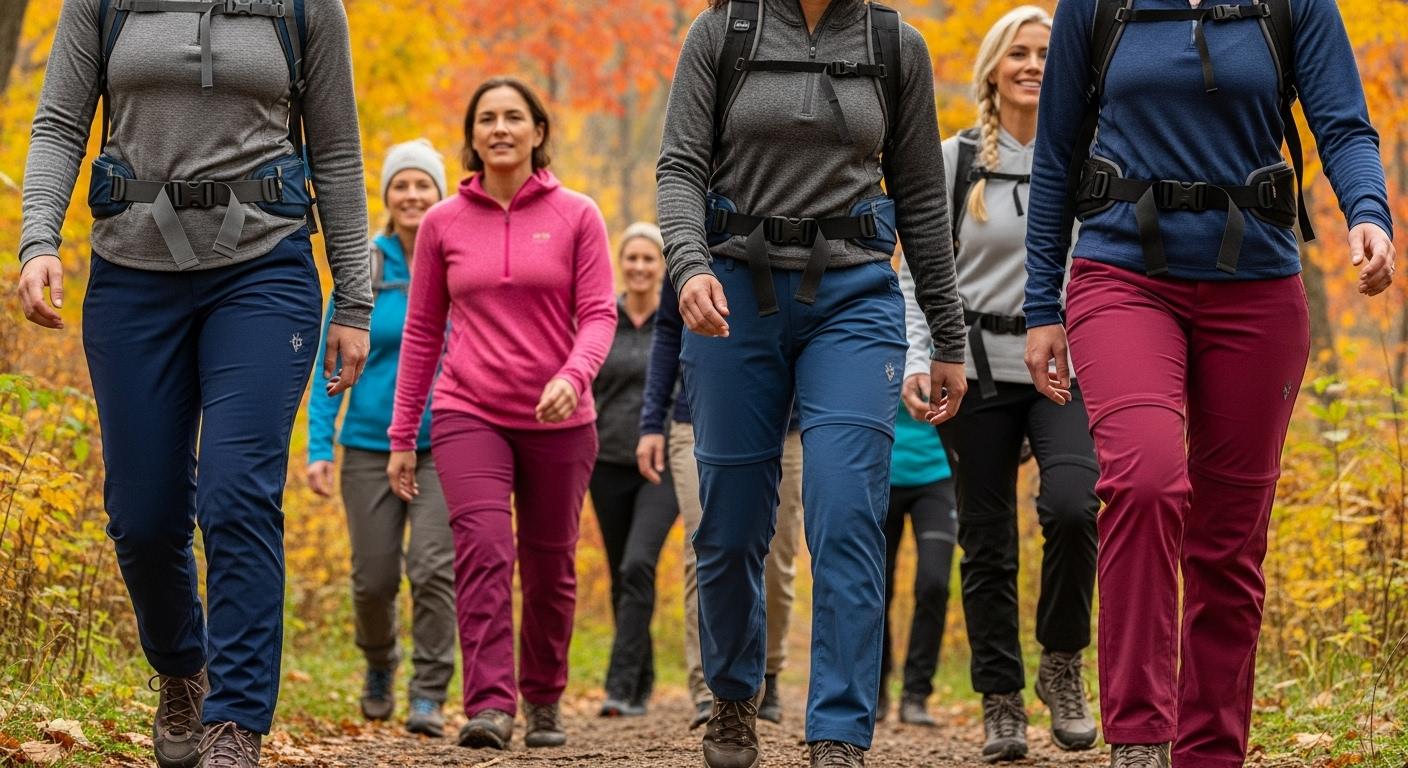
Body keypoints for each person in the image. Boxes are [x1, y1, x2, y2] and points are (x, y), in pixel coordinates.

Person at [1023, 0, 1395, 764]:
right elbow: (1056, 151)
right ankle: (1140, 737)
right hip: (1122, 274)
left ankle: (1211, 753)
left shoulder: (1295, 5)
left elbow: (1345, 124)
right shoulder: (1095, 6)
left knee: (1230, 541)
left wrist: (1368, 211)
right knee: (1146, 480)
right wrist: (1039, 305)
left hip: (1257, 284)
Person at [17, 1, 370, 765]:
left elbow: (338, 154)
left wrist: (356, 297)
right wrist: (38, 238)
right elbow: (57, 126)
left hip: (264, 270)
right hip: (131, 274)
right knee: (142, 516)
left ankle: (234, 722)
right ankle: (183, 670)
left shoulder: (307, 7)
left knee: (236, 490)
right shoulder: (102, 4)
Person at [656, 0, 967, 764]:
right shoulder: (721, 31)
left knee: (845, 512)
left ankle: (837, 731)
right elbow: (680, 168)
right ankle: (733, 696)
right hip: (733, 294)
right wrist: (690, 265)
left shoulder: (896, 45)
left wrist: (949, 336)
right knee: (729, 523)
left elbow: (924, 197)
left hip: (854, 300)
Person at [387, 77, 617, 753]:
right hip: (469, 411)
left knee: (550, 567)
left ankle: (544, 697)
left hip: (561, 420)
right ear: (472, 135)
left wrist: (574, 377)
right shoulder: (442, 224)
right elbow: (423, 332)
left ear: (538, 131)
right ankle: (489, 704)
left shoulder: (578, 215)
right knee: (484, 551)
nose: (501, 128)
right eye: (487, 118)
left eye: (514, 117)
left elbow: (598, 314)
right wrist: (405, 434)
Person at [900, 8, 1101, 761]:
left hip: (1067, 370)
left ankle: (1062, 660)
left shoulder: (1087, 160)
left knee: (1076, 507)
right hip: (973, 371)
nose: (1033, 64)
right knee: (986, 543)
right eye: (1018, 52)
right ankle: (1001, 701)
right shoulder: (952, 161)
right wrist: (921, 359)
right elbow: (922, 274)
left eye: (1047, 53)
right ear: (991, 67)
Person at [305, 139, 454, 738]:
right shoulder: (362, 266)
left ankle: (429, 692)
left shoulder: (457, 259)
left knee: (433, 568)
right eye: (402, 185)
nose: (413, 194)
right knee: (373, 577)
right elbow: (328, 365)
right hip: (367, 444)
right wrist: (320, 447)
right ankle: (379, 662)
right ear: (388, 196)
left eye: (424, 184)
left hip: (444, 443)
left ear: (441, 194)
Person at [636, 272, 805, 729]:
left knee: (776, 554)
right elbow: (668, 331)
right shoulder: (691, 237)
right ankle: (710, 686)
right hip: (694, 421)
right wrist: (652, 423)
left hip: (789, 427)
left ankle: (766, 670)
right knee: (707, 548)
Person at [591, 222, 680, 718]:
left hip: (662, 463)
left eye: (650, 259)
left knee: (638, 564)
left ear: (662, 264)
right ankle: (642, 677)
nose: (641, 267)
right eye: (633, 259)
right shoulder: (603, 319)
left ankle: (620, 685)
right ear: (621, 264)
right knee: (618, 573)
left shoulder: (677, 320)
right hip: (605, 460)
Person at [877, 397, 957, 729]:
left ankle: (916, 694)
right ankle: (875, 689)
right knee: (877, 586)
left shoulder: (949, 346)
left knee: (934, 583)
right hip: (882, 474)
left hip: (938, 476)